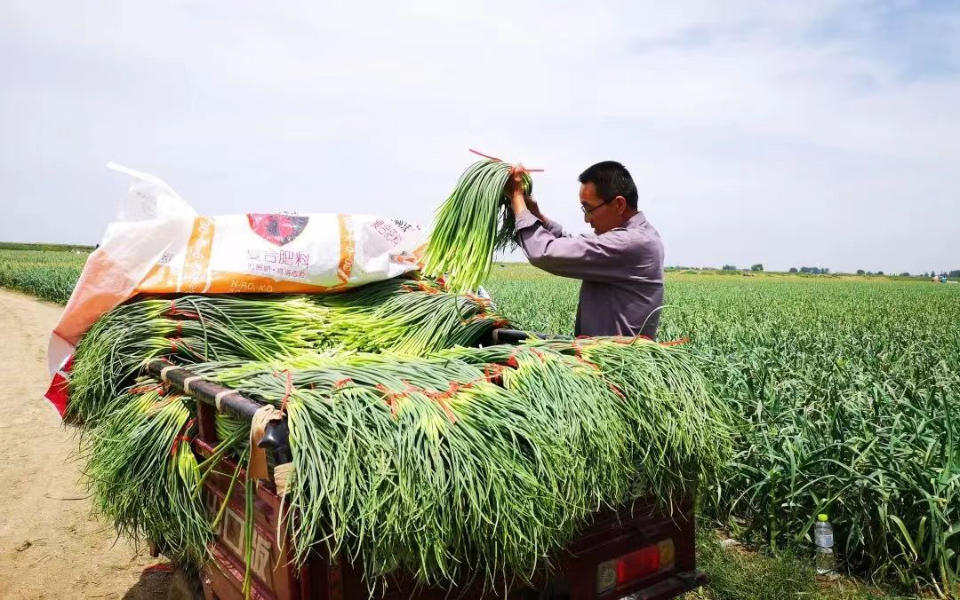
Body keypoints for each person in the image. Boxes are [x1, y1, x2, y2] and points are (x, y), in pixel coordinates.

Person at [505, 160, 664, 339]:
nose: (587, 220)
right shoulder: (636, 236)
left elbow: (545, 252)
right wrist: (536, 214)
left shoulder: (632, 242)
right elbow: (572, 244)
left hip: (616, 364)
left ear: (619, 204)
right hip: (605, 358)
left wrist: (516, 197)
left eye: (589, 209)